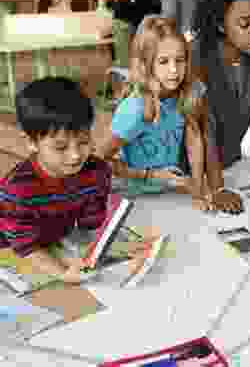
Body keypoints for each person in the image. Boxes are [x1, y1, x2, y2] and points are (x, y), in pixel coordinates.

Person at [0, 77, 144, 284]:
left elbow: (90, 224)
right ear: (31, 142)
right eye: (61, 147)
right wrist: (61, 272)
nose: (76, 155)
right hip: (11, 247)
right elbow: (25, 246)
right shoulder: (16, 191)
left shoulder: (97, 172)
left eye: (84, 142)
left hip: (51, 240)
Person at [97, 17, 210, 211]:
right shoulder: (135, 108)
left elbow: (194, 140)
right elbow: (98, 160)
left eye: (180, 60)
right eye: (163, 62)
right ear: (145, 64)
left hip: (169, 191)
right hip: (131, 196)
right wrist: (149, 175)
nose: (174, 70)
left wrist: (198, 189)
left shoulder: (190, 92)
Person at [192, 0, 250, 214]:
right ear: (220, 24)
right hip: (187, 171)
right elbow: (205, 127)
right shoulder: (197, 55)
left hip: (232, 164)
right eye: (245, 24)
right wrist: (218, 189)